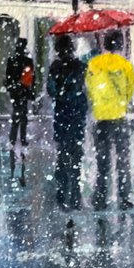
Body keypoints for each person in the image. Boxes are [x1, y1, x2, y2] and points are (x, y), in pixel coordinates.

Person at [85, 30, 134, 211]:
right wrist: (121, 102)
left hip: (101, 118)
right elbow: (131, 89)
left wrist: (100, 103)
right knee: (122, 160)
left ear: (104, 44)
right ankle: (124, 198)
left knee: (102, 161)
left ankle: (100, 197)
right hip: (119, 117)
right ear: (120, 44)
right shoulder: (125, 65)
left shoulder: (93, 64)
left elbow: (90, 89)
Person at [47, 35, 87, 211]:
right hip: (77, 114)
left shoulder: (55, 67)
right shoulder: (80, 66)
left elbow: (51, 90)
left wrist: (61, 94)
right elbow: (83, 89)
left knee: (62, 156)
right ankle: (75, 197)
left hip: (62, 115)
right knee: (76, 156)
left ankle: (62, 196)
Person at [5, 38, 35, 184]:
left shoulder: (12, 60)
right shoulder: (26, 61)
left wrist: (13, 86)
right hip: (22, 91)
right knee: (22, 114)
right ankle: (21, 137)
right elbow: (30, 78)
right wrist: (27, 88)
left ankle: (15, 136)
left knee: (18, 113)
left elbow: (9, 77)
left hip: (18, 91)